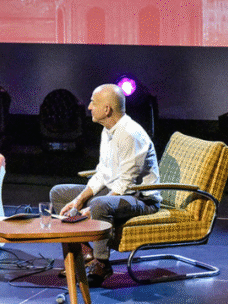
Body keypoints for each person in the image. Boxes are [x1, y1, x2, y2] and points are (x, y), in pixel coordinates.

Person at [50, 84, 161, 286]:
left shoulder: (129, 134)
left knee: (100, 204)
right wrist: (78, 201)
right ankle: (85, 256)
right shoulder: (107, 130)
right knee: (59, 193)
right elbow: (103, 173)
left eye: (93, 102)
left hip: (142, 199)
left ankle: (102, 264)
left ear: (107, 109)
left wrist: (88, 211)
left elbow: (125, 185)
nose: (90, 107)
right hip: (117, 193)